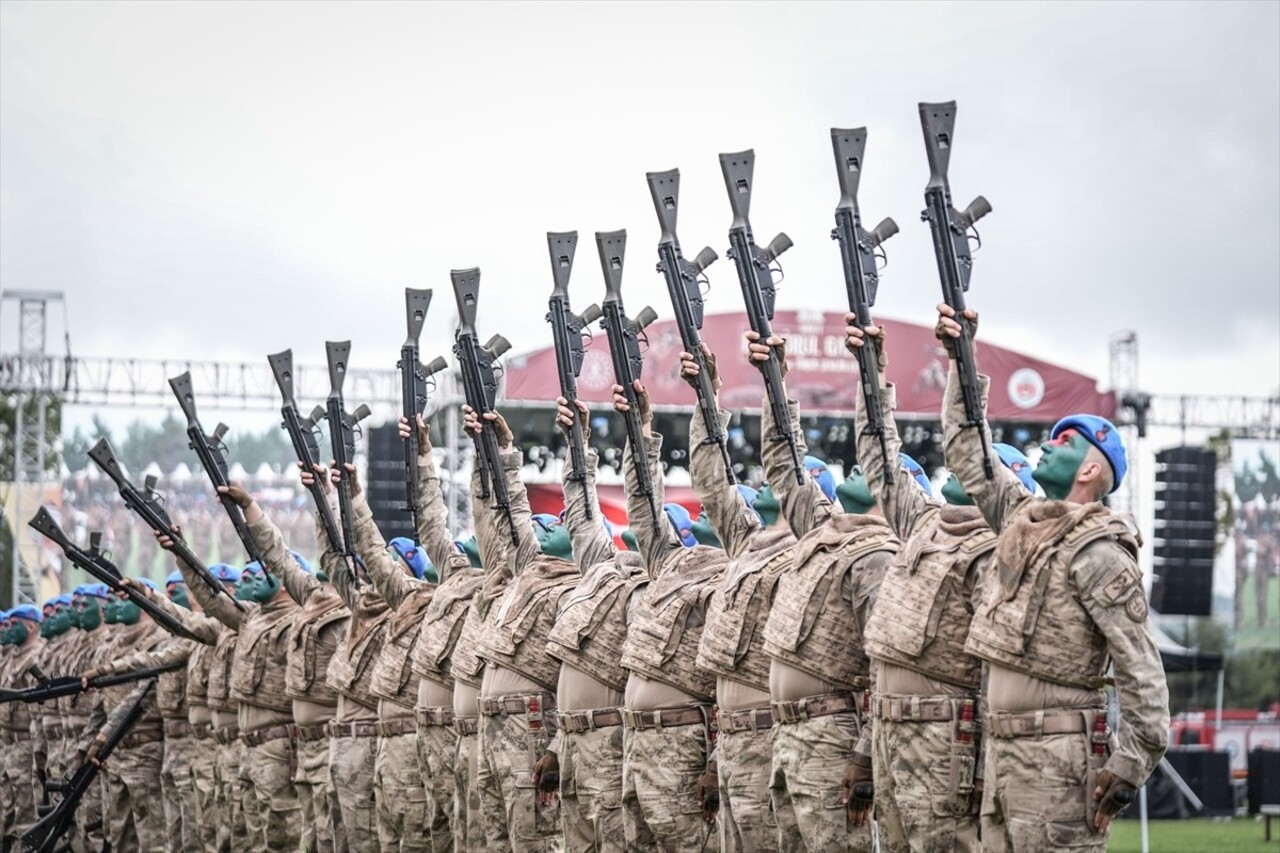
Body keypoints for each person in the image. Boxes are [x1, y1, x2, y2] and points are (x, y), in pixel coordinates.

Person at [936, 302, 1169, 851]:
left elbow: (1141, 669)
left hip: (1058, 760)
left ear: (1091, 470)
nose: (1045, 444)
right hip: (1001, 752)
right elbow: (968, 453)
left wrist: (1131, 763)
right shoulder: (1022, 521)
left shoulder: (1101, 552)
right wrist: (961, 360)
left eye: (1065, 443)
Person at [846, 317, 1035, 852]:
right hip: (890, 733)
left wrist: (983, 770)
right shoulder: (922, 523)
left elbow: (992, 672)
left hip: (945, 740)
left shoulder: (998, 552)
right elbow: (880, 460)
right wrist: (872, 376)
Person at [748, 332, 898, 853]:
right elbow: (784, 465)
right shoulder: (822, 533)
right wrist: (775, 384)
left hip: (832, 733)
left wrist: (864, 755)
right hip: (786, 735)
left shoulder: (878, 555)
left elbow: (886, 665)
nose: (855, 467)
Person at [680, 345, 803, 853]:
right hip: (730, 738)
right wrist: (706, 394)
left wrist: (776, 384)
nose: (772, 479)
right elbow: (710, 480)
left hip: (770, 735)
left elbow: (786, 465)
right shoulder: (749, 543)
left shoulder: (810, 545)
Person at [612, 379, 728, 853]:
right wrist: (639, 429)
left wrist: (717, 760)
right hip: (638, 743)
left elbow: (737, 681)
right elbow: (642, 505)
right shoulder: (672, 562)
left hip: (683, 744)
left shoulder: (730, 570)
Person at [537, 396, 652, 852]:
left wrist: (640, 428)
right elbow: (583, 517)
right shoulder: (602, 570)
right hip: (573, 741)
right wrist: (577, 443)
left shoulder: (650, 584)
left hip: (609, 742)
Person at [465, 404, 580, 852]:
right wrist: (501, 451)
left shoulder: (577, 586)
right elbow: (511, 514)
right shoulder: (528, 571)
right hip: (492, 726)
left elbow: (575, 675)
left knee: (534, 841)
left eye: (556, 523)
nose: (542, 526)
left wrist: (556, 744)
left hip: (530, 726)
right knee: (494, 841)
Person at [220, 481, 350, 853]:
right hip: (300, 747)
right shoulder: (312, 599)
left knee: (322, 839)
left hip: (323, 744)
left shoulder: (354, 611)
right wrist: (250, 507)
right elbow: (277, 557)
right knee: (300, 838)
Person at [161, 530, 303, 851]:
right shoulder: (250, 619)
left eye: (256, 573)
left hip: (274, 744)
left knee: (278, 839)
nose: (244, 583)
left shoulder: (294, 620)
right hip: (239, 746)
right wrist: (181, 555)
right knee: (239, 836)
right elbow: (206, 602)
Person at [399, 414, 488, 853]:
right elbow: (432, 523)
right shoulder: (454, 575)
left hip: (471, 735)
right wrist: (422, 456)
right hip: (431, 735)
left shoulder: (503, 580)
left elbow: (492, 514)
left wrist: (484, 448)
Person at [77, 581, 168, 852]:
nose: (113, 605)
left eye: (122, 599)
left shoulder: (159, 641)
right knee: (118, 836)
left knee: (152, 837)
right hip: (114, 753)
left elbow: (140, 695)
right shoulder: (115, 645)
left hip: (144, 749)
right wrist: (88, 742)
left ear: (143, 605)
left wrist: (105, 734)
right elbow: (100, 703)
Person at [0, 605, 46, 849]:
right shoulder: (13, 657)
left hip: (25, 745)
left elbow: (39, 708)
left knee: (26, 814)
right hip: (8, 744)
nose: (7, 629)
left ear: (30, 626)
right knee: (8, 812)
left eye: (12, 624)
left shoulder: (35, 658)